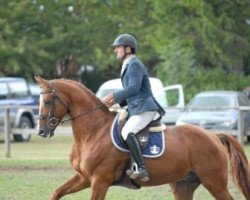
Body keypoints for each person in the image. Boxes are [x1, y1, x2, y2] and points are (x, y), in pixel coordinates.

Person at [102, 33, 165, 182]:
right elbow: (132, 95)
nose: (115, 50)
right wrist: (116, 104)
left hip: (145, 108)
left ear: (128, 49)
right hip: (137, 106)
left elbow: (134, 89)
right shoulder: (128, 64)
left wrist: (114, 96)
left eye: (118, 47)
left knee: (127, 131)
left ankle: (141, 168)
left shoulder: (135, 64)